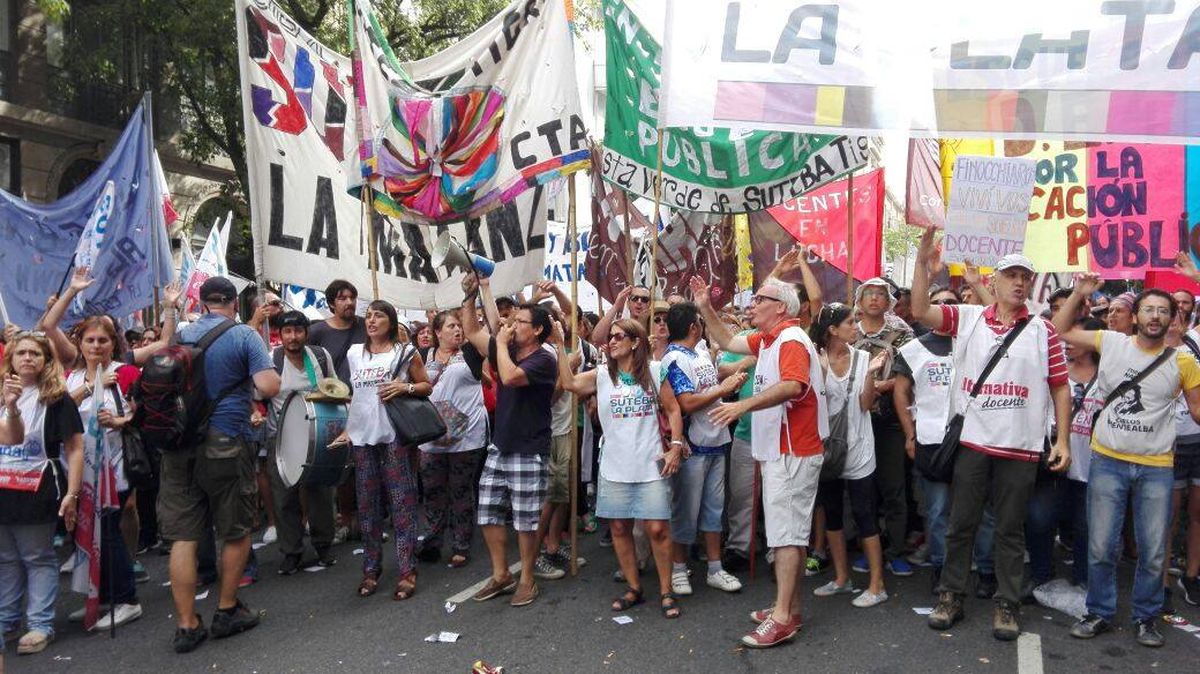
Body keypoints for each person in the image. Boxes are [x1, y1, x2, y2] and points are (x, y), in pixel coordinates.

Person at [910, 229, 1070, 642]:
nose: (1019, 282)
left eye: (1025, 277)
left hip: (1020, 448)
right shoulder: (967, 319)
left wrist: (1063, 441)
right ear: (994, 282)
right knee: (960, 524)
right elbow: (918, 309)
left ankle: (1007, 603)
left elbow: (1059, 386)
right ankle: (951, 596)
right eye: (1011, 275)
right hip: (973, 444)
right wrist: (921, 262)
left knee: (1009, 530)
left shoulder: (1043, 330)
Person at [1053, 279, 1200, 648]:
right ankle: (1099, 612)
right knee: (1101, 547)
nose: (1155, 316)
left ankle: (1146, 618)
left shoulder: (1184, 362)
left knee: (1152, 552)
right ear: (1135, 317)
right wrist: (1080, 292)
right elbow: (1060, 330)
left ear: (1173, 319)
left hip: (1157, 467)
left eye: (1163, 311)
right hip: (1108, 461)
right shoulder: (1110, 342)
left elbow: (1198, 411)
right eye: (1149, 309)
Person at [695, 276, 828, 649]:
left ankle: (783, 618)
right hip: (780, 450)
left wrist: (743, 404)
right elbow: (727, 341)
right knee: (788, 532)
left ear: (781, 307)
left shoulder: (790, 339)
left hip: (794, 450)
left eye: (759, 299)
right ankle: (789, 607)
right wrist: (705, 306)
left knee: (787, 536)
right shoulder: (768, 338)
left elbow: (793, 386)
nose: (751, 305)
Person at [161, 277, 281, 654]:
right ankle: (227, 609)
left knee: (184, 536)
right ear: (232, 302)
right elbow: (269, 385)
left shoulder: (180, 334)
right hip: (227, 440)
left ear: (201, 301)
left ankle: (186, 624)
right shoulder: (244, 336)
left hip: (179, 445)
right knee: (236, 528)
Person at [556, 318, 687, 619]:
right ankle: (634, 588)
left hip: (651, 464)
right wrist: (559, 346)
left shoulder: (655, 371)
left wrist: (677, 446)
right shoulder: (602, 374)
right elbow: (569, 384)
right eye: (610, 337)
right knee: (618, 528)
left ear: (635, 342)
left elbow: (673, 408)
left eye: (618, 336)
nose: (611, 341)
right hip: (614, 466)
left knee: (657, 529)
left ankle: (666, 591)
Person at [462, 277, 558, 608]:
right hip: (500, 445)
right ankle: (501, 574)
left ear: (538, 331)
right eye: (514, 319)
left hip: (529, 448)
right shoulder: (511, 348)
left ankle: (528, 578)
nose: (513, 324)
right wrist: (473, 295)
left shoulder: (544, 359)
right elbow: (475, 331)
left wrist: (500, 345)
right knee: (488, 513)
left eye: (521, 322)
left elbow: (510, 378)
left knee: (526, 521)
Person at [894, 287, 996, 597]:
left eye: (950, 303)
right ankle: (940, 569)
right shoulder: (913, 349)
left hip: (975, 440)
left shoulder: (979, 343)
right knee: (937, 512)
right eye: (935, 303)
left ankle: (986, 570)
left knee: (982, 511)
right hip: (931, 441)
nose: (942, 308)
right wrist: (910, 434)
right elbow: (901, 392)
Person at [329, 300, 430, 600]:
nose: (371, 321)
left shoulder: (405, 353)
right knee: (368, 508)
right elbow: (357, 398)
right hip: (362, 440)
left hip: (395, 438)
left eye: (379, 316)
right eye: (369, 316)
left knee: (402, 506)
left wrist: (405, 388)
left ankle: (407, 570)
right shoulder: (353, 353)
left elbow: (427, 385)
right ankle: (371, 570)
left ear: (391, 321)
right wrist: (348, 429)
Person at [0, 332, 84, 655]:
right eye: (21, 352)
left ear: (46, 360)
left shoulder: (57, 398)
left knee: (37, 557)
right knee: (6, 558)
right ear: (11, 357)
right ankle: (7, 618)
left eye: (35, 353)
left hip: (37, 485)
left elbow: (75, 449)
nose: (28, 358)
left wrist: (72, 493)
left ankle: (39, 623)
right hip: (4, 487)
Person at [660, 302, 747, 596]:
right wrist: (724, 390)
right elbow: (687, 402)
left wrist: (730, 381)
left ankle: (714, 568)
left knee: (713, 509)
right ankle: (678, 568)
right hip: (691, 446)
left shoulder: (699, 352)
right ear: (693, 327)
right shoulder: (672, 359)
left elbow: (710, 388)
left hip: (717, 440)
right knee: (685, 509)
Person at [808, 303, 891, 607]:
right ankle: (842, 578)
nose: (856, 326)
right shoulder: (816, 359)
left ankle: (876, 584)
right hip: (828, 449)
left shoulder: (864, 358)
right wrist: (821, 373)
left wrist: (870, 375)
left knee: (864, 514)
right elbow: (813, 404)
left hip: (859, 448)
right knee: (831, 513)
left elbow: (866, 404)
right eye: (850, 322)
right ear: (832, 330)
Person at [64, 316, 143, 630]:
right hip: (76, 470)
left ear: (114, 344)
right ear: (80, 344)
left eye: (103, 340)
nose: (96, 346)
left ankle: (127, 599)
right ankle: (104, 596)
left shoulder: (125, 373)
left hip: (114, 467)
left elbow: (145, 410)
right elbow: (58, 412)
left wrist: (122, 421)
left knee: (108, 532)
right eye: (90, 340)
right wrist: (88, 387)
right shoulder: (70, 377)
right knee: (84, 533)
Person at [264, 311, 338, 575]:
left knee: (320, 491)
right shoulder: (272, 359)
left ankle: (323, 545)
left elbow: (334, 388)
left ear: (306, 333)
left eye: (298, 331)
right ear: (281, 335)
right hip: (281, 436)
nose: (293, 337)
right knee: (284, 496)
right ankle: (291, 551)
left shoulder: (319, 356)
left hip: (316, 432)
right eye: (287, 332)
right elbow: (259, 394)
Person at [852, 277, 915, 577]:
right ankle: (869, 548)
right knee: (865, 487)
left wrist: (877, 386)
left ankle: (897, 550)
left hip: (890, 420)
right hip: (855, 420)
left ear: (889, 301)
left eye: (881, 294)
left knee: (893, 487)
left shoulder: (902, 333)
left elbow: (909, 373)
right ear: (860, 300)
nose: (875, 299)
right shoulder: (849, 330)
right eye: (869, 294)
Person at [416, 310, 487, 568]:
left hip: (466, 438)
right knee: (433, 491)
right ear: (437, 332)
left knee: (460, 490)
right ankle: (432, 541)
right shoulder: (423, 356)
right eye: (450, 326)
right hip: (431, 436)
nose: (457, 330)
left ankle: (461, 544)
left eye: (459, 325)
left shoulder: (471, 353)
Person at [305, 280, 367, 545]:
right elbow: (305, 361)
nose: (349, 302)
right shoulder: (316, 331)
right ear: (331, 302)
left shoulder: (366, 325)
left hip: (364, 403)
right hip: (333, 407)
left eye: (352, 297)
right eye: (342, 298)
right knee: (339, 465)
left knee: (362, 466)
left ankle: (362, 522)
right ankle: (341, 520)